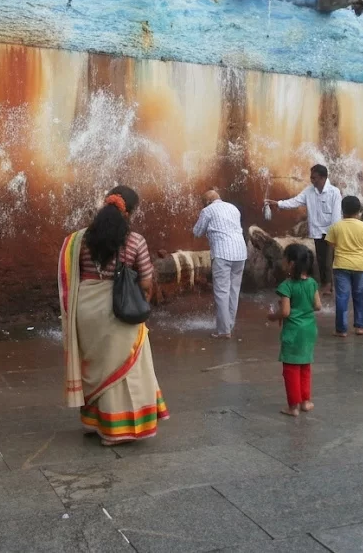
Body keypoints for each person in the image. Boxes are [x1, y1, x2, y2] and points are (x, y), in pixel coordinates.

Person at [58, 186, 168, 446]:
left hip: (85, 310)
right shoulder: (135, 240)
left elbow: (73, 276)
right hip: (119, 309)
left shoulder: (78, 240)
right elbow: (145, 282)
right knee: (124, 369)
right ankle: (115, 431)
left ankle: (91, 422)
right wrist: (142, 304)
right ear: (129, 212)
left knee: (95, 364)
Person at [266, 164, 342, 294]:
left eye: (314, 178)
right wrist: (278, 204)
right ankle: (326, 284)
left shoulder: (334, 192)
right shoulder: (309, 191)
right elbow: (295, 201)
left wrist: (334, 235)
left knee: (329, 260)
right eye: (311, 177)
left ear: (323, 178)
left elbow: (336, 216)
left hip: (331, 232)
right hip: (317, 231)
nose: (312, 180)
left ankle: (330, 285)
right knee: (321, 259)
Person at [267, 243, 321, 417]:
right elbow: (318, 306)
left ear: (290, 264)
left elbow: (285, 312)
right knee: (305, 365)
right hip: (309, 329)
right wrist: (303, 308)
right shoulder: (312, 283)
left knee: (291, 368)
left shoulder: (287, 286)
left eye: (284, 258)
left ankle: (293, 406)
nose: (282, 261)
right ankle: (305, 401)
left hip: (293, 331)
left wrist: (273, 316)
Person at [193, 189, 248, 339]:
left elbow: (197, 232)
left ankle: (223, 331)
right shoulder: (233, 208)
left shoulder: (207, 210)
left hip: (222, 253)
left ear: (207, 202)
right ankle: (229, 324)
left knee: (222, 291)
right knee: (234, 290)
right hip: (240, 252)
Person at [325, 196, 363, 337]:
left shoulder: (336, 226)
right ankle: (360, 327)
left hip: (341, 265)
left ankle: (341, 329)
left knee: (342, 297)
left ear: (342, 210)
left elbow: (330, 243)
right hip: (360, 266)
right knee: (360, 296)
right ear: (359, 210)